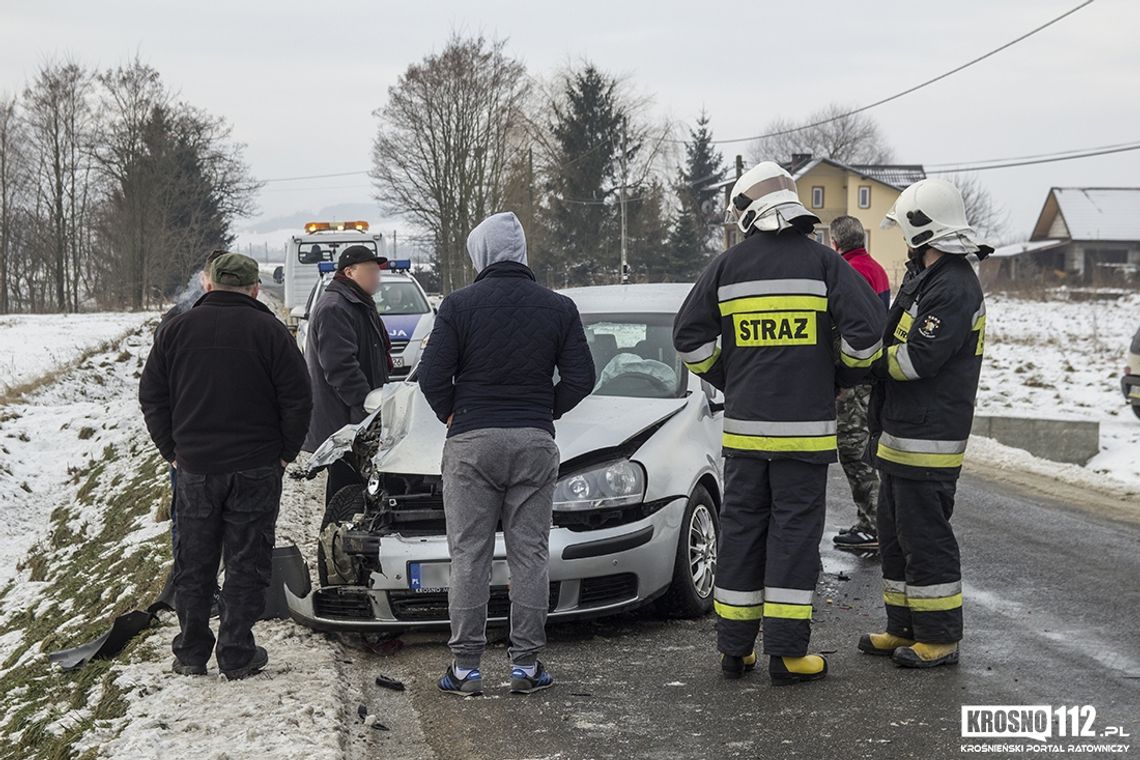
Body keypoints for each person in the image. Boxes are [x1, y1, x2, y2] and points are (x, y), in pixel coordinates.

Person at [673, 162, 885, 685]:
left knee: (742, 531)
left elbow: (689, 339)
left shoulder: (726, 267)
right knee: (793, 536)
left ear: (746, 211)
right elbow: (867, 336)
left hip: (744, 436)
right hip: (805, 437)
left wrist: (731, 377)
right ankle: (788, 655)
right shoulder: (824, 264)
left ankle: (735, 651)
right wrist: (836, 373)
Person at [416, 211, 594, 697]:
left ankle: (466, 669)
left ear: (482, 254)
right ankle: (527, 666)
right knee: (530, 554)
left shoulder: (457, 306)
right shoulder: (559, 307)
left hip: (472, 443)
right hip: (534, 442)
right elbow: (582, 377)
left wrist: (453, 415)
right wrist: (543, 410)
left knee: (469, 555)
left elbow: (432, 377)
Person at [139, 253, 312, 679]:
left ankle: (192, 653)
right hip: (256, 467)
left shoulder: (174, 330)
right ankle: (236, 652)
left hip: (195, 468)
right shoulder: (271, 332)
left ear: (210, 285)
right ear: (255, 288)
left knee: (194, 560)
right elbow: (298, 399)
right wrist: (285, 452)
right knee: (246, 560)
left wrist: (171, 450)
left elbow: (152, 397)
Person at [859, 178, 991, 669]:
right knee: (894, 537)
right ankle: (903, 627)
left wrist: (867, 360)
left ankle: (939, 637)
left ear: (923, 229)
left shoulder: (954, 285)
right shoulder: (926, 276)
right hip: (902, 433)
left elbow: (918, 360)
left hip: (927, 437)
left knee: (926, 540)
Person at [302, 244, 392, 515]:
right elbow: (341, 369)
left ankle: (340, 548)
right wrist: (369, 408)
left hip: (352, 421)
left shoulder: (357, 303)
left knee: (352, 492)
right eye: (371, 270)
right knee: (345, 495)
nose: (377, 276)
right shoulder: (335, 308)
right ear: (350, 272)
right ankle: (333, 551)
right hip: (344, 424)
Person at [827, 216, 890, 551]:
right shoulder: (876, 268)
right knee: (863, 450)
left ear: (836, 244)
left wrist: (841, 374)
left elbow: (847, 327)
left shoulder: (848, 273)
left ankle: (875, 527)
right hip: (873, 374)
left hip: (856, 377)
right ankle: (874, 523)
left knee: (853, 452)